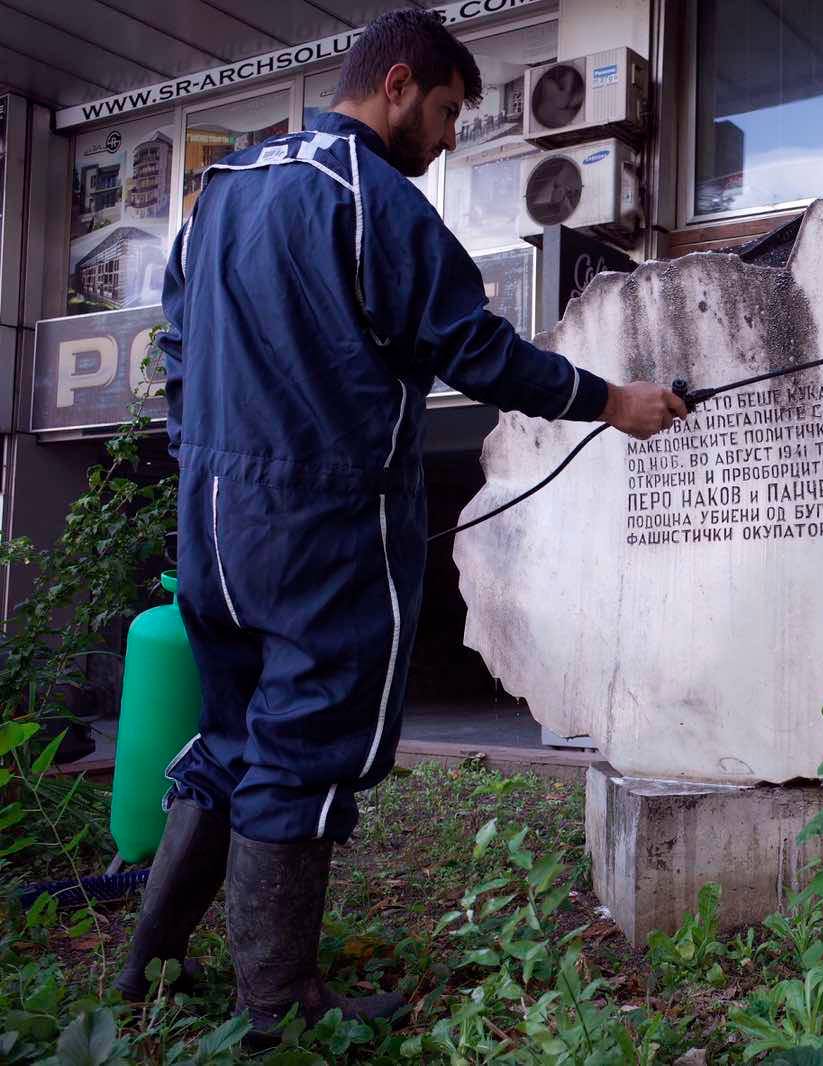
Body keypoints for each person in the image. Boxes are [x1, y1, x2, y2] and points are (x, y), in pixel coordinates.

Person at [114, 8, 686, 1037]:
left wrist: (202, 466)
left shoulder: (216, 198)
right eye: (449, 110)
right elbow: (476, 350)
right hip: (318, 524)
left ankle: (144, 966)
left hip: (209, 520)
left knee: (232, 730)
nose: (451, 136)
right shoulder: (369, 198)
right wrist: (614, 401)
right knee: (300, 747)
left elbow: (176, 357)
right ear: (397, 84)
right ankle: (277, 1007)